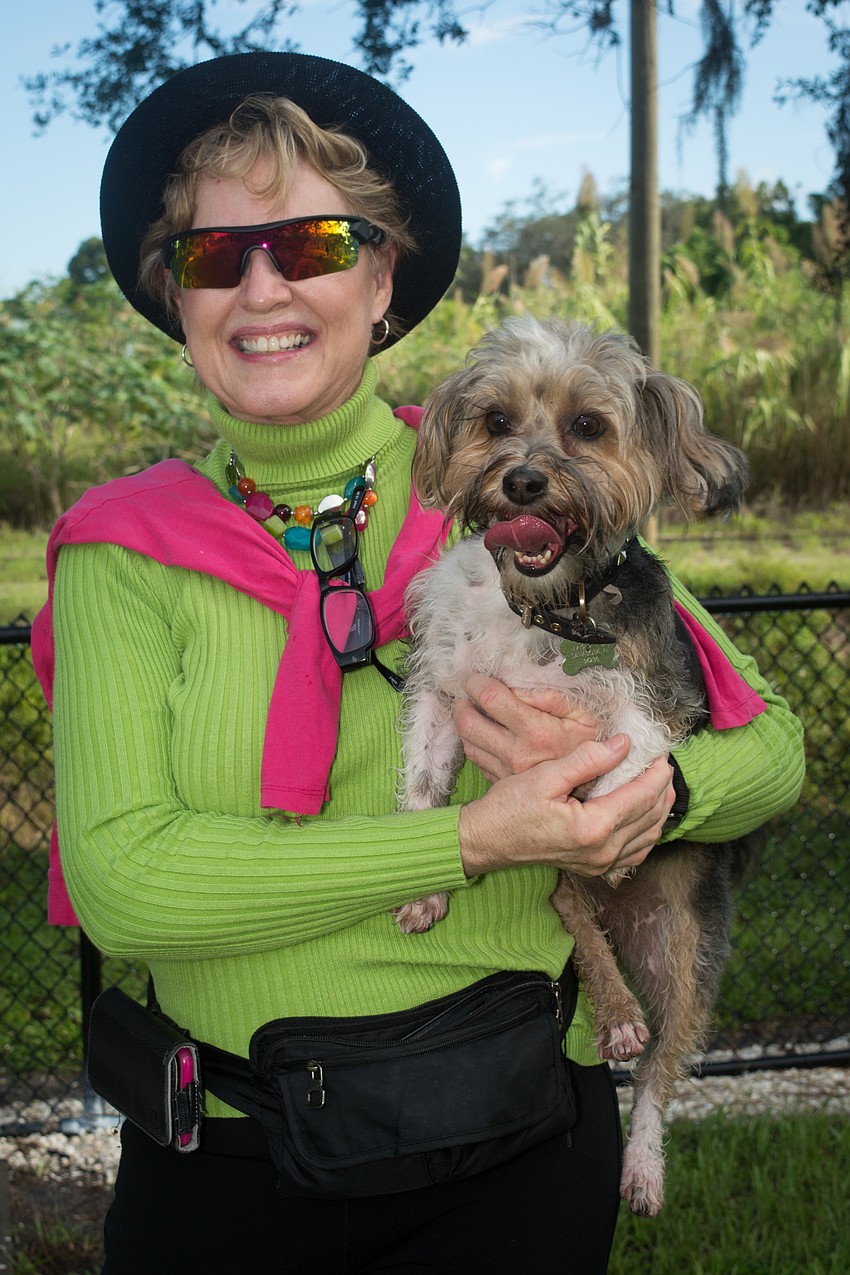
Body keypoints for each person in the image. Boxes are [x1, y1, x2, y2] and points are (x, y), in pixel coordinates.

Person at [37, 51, 805, 1274]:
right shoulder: (121, 551)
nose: (262, 286)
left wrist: (645, 796)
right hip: (226, 1169)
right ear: (176, 301)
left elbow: (768, 748)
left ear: (383, 275)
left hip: (519, 1151)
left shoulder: (512, 480)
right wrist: (474, 838)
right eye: (212, 254)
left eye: (315, 244)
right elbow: (128, 880)